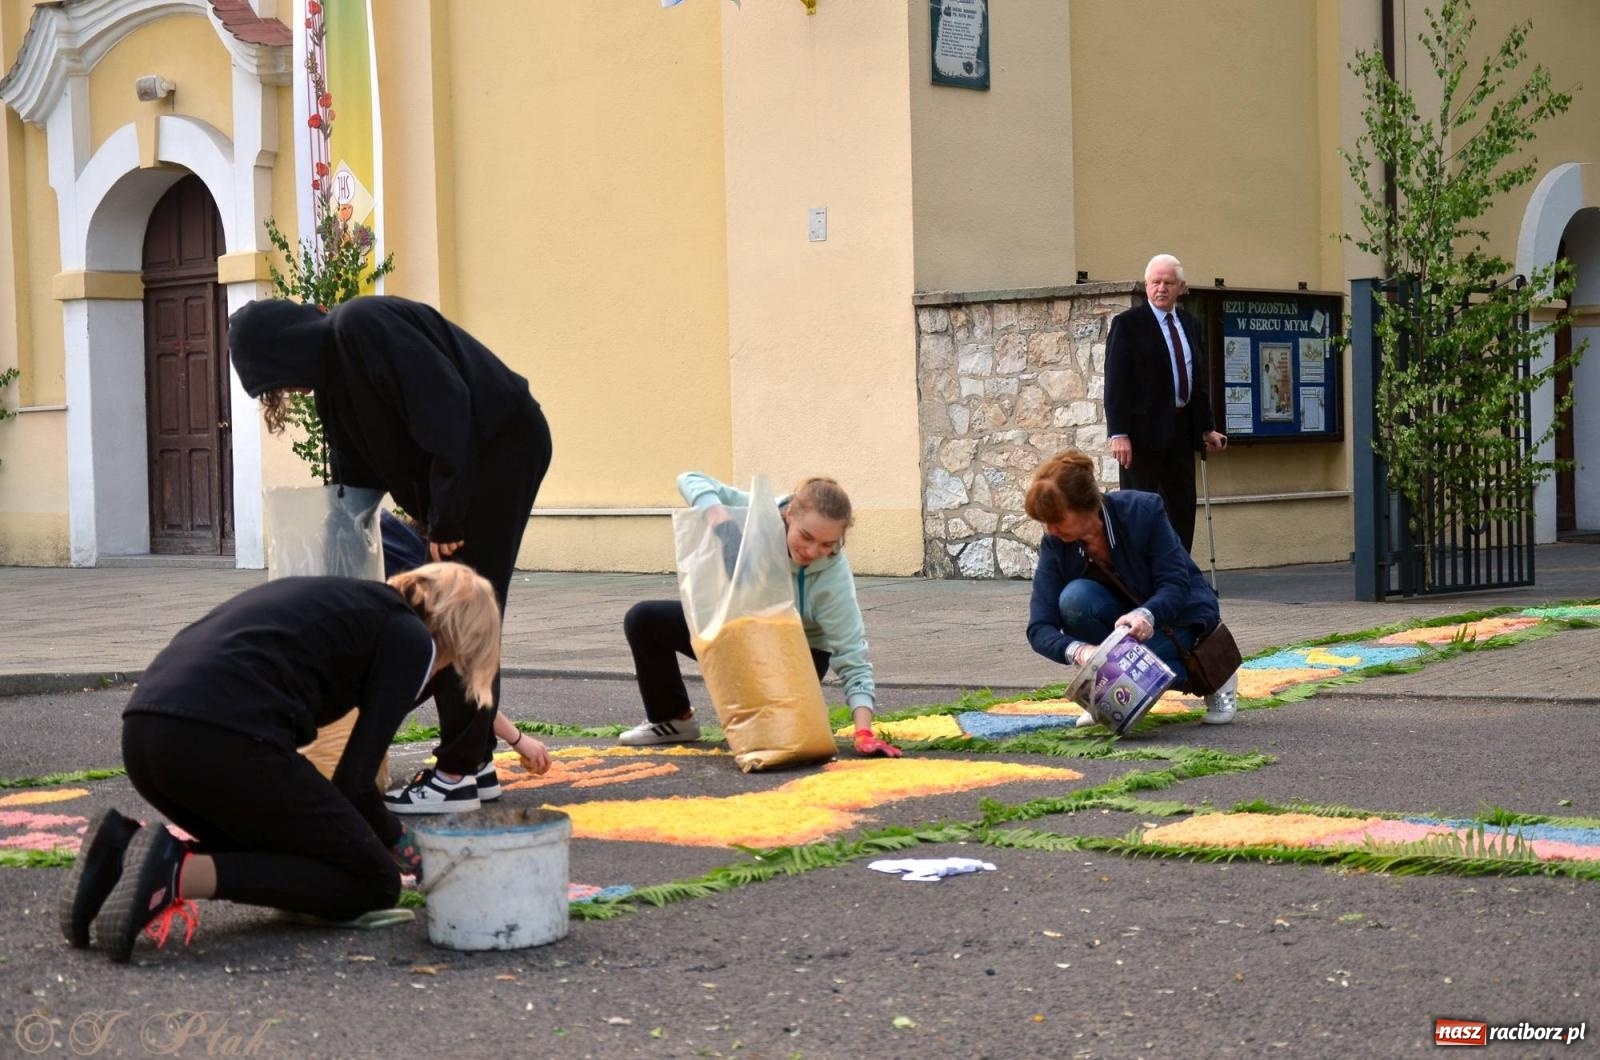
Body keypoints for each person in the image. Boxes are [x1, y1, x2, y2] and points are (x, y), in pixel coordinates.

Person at [64, 564, 526, 963]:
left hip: (148, 732)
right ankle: (175, 872)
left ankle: (120, 851)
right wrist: (401, 843)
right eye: (457, 662)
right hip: (221, 736)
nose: (446, 671)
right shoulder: (411, 639)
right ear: (458, 636)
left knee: (295, 851)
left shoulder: (355, 604)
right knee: (370, 882)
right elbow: (355, 782)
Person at [229, 296, 553, 813]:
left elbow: (447, 412)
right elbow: (352, 471)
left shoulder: (363, 326)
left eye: (280, 380)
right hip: (464, 467)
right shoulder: (335, 379)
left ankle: (457, 773)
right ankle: (476, 764)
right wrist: (340, 545)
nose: (288, 392)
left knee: (459, 609)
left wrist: (446, 516)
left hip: (498, 449)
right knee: (446, 607)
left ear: (287, 348)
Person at [619, 472, 901, 758]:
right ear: (789, 514)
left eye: (827, 544)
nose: (814, 550)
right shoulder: (759, 516)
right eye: (806, 536)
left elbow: (852, 657)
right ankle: (673, 719)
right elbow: (689, 479)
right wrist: (724, 525)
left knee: (776, 738)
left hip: (797, 658)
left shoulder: (832, 577)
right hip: (745, 636)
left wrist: (863, 731)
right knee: (644, 619)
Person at [1023, 450, 1237, 730]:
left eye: (1056, 520)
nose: (1050, 530)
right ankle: (1109, 686)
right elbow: (1039, 627)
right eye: (1044, 523)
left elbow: (1175, 584)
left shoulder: (1143, 510)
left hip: (1178, 617)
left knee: (1135, 670)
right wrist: (1081, 652)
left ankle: (1217, 672)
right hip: (1121, 629)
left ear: (1086, 507)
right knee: (1075, 598)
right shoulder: (1055, 544)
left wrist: (1147, 615)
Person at [1104, 254, 1227, 551]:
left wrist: (1207, 427)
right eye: (1155, 282)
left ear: (1181, 287)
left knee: (1181, 508)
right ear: (1146, 285)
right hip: (1141, 434)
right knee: (1140, 508)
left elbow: (1196, 382)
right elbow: (1115, 384)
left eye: (1168, 283)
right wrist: (1118, 433)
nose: (1161, 288)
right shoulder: (1129, 325)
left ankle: (1177, 571)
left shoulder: (1190, 324)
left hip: (1181, 430)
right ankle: (1140, 576)